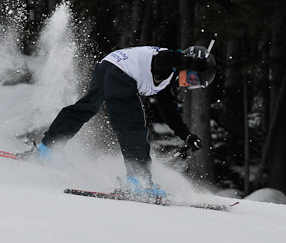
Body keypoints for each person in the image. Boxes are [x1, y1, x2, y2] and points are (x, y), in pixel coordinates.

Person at [35, 45, 216, 198]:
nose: (188, 84)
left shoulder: (166, 82)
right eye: (192, 78)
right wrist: (189, 61)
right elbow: (163, 59)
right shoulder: (167, 62)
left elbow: (170, 114)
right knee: (133, 126)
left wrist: (187, 136)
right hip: (119, 73)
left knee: (86, 108)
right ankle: (140, 181)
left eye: (194, 84)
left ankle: (49, 148)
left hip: (107, 67)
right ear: (187, 63)